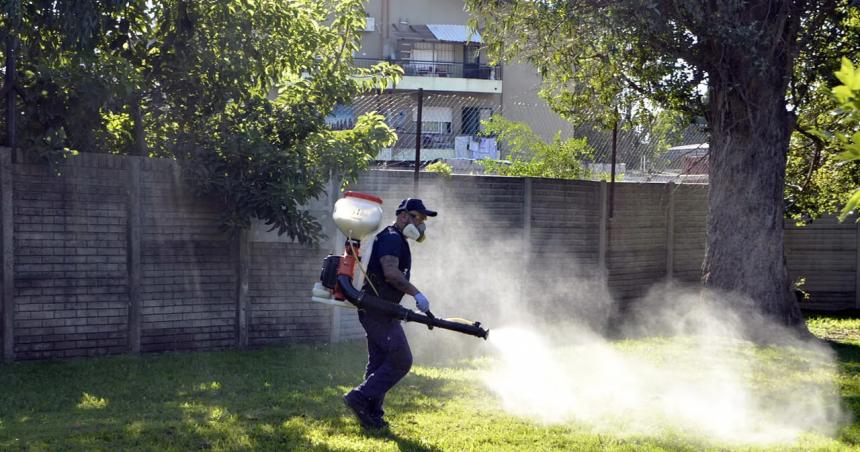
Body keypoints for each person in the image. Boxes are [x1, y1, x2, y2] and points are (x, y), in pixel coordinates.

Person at [343, 198, 437, 430]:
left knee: (379, 361)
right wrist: (417, 294)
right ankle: (359, 397)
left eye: (424, 220)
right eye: (419, 217)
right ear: (403, 216)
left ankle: (372, 412)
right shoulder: (392, 239)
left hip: (379, 309)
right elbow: (391, 274)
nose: (422, 224)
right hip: (378, 311)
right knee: (401, 359)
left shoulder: (396, 239)